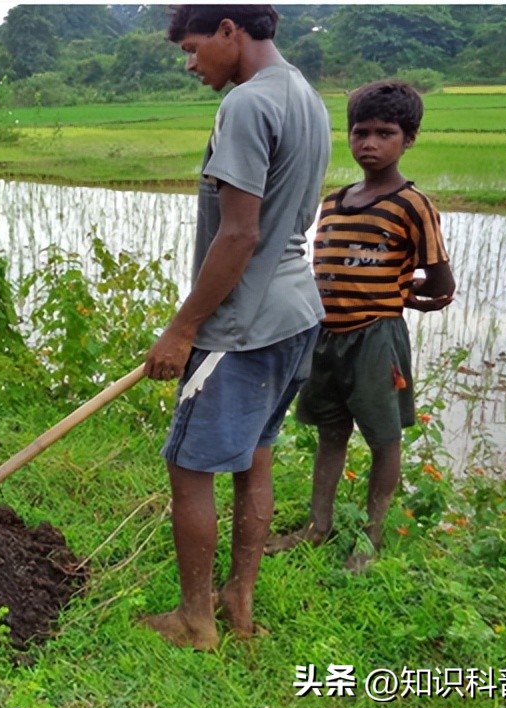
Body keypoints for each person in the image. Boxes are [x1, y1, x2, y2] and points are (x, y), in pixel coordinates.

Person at [139, 6, 330, 649]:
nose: (191, 65)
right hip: (296, 311)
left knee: (189, 467)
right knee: (256, 458)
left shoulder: (246, 104)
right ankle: (238, 605)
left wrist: (182, 329)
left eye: (193, 50)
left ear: (229, 30)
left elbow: (240, 233)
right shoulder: (305, 95)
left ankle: (195, 620)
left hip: (243, 324)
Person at [265, 81, 455, 572]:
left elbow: (441, 280)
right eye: (360, 132)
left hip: (376, 337)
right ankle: (318, 525)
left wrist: (406, 296)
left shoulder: (412, 204)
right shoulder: (333, 202)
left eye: (384, 133)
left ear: (408, 138)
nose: (369, 143)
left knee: (383, 438)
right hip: (325, 335)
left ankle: (370, 538)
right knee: (331, 431)